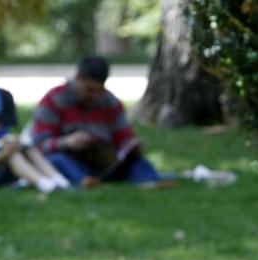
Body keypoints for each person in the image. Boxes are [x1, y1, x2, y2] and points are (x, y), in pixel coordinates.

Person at [29, 56, 164, 188]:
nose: (95, 96)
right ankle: (86, 181)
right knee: (57, 160)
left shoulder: (111, 102)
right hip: (70, 158)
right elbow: (39, 145)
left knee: (138, 162)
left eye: (99, 90)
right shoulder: (54, 99)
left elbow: (124, 137)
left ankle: (150, 182)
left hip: (105, 163)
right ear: (78, 78)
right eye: (90, 90)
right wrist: (66, 142)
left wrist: (132, 146)